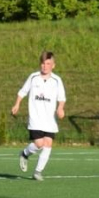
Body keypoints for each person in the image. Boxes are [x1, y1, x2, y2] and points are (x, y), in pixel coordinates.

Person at [11, 51, 66, 181]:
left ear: (53, 65)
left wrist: (60, 108)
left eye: (48, 63)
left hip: (50, 120)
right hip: (35, 118)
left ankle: (38, 172)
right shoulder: (33, 77)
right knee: (39, 144)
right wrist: (17, 104)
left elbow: (62, 98)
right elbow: (22, 92)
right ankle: (24, 154)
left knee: (48, 144)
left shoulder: (57, 80)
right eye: (43, 63)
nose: (45, 66)